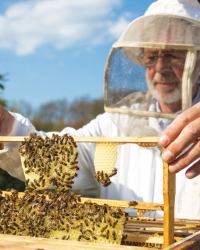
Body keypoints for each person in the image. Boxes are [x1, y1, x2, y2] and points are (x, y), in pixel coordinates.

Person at [0, 0, 200, 220]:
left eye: (173, 55)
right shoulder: (113, 124)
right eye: (151, 57)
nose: (160, 68)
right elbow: (52, 162)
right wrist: (8, 128)